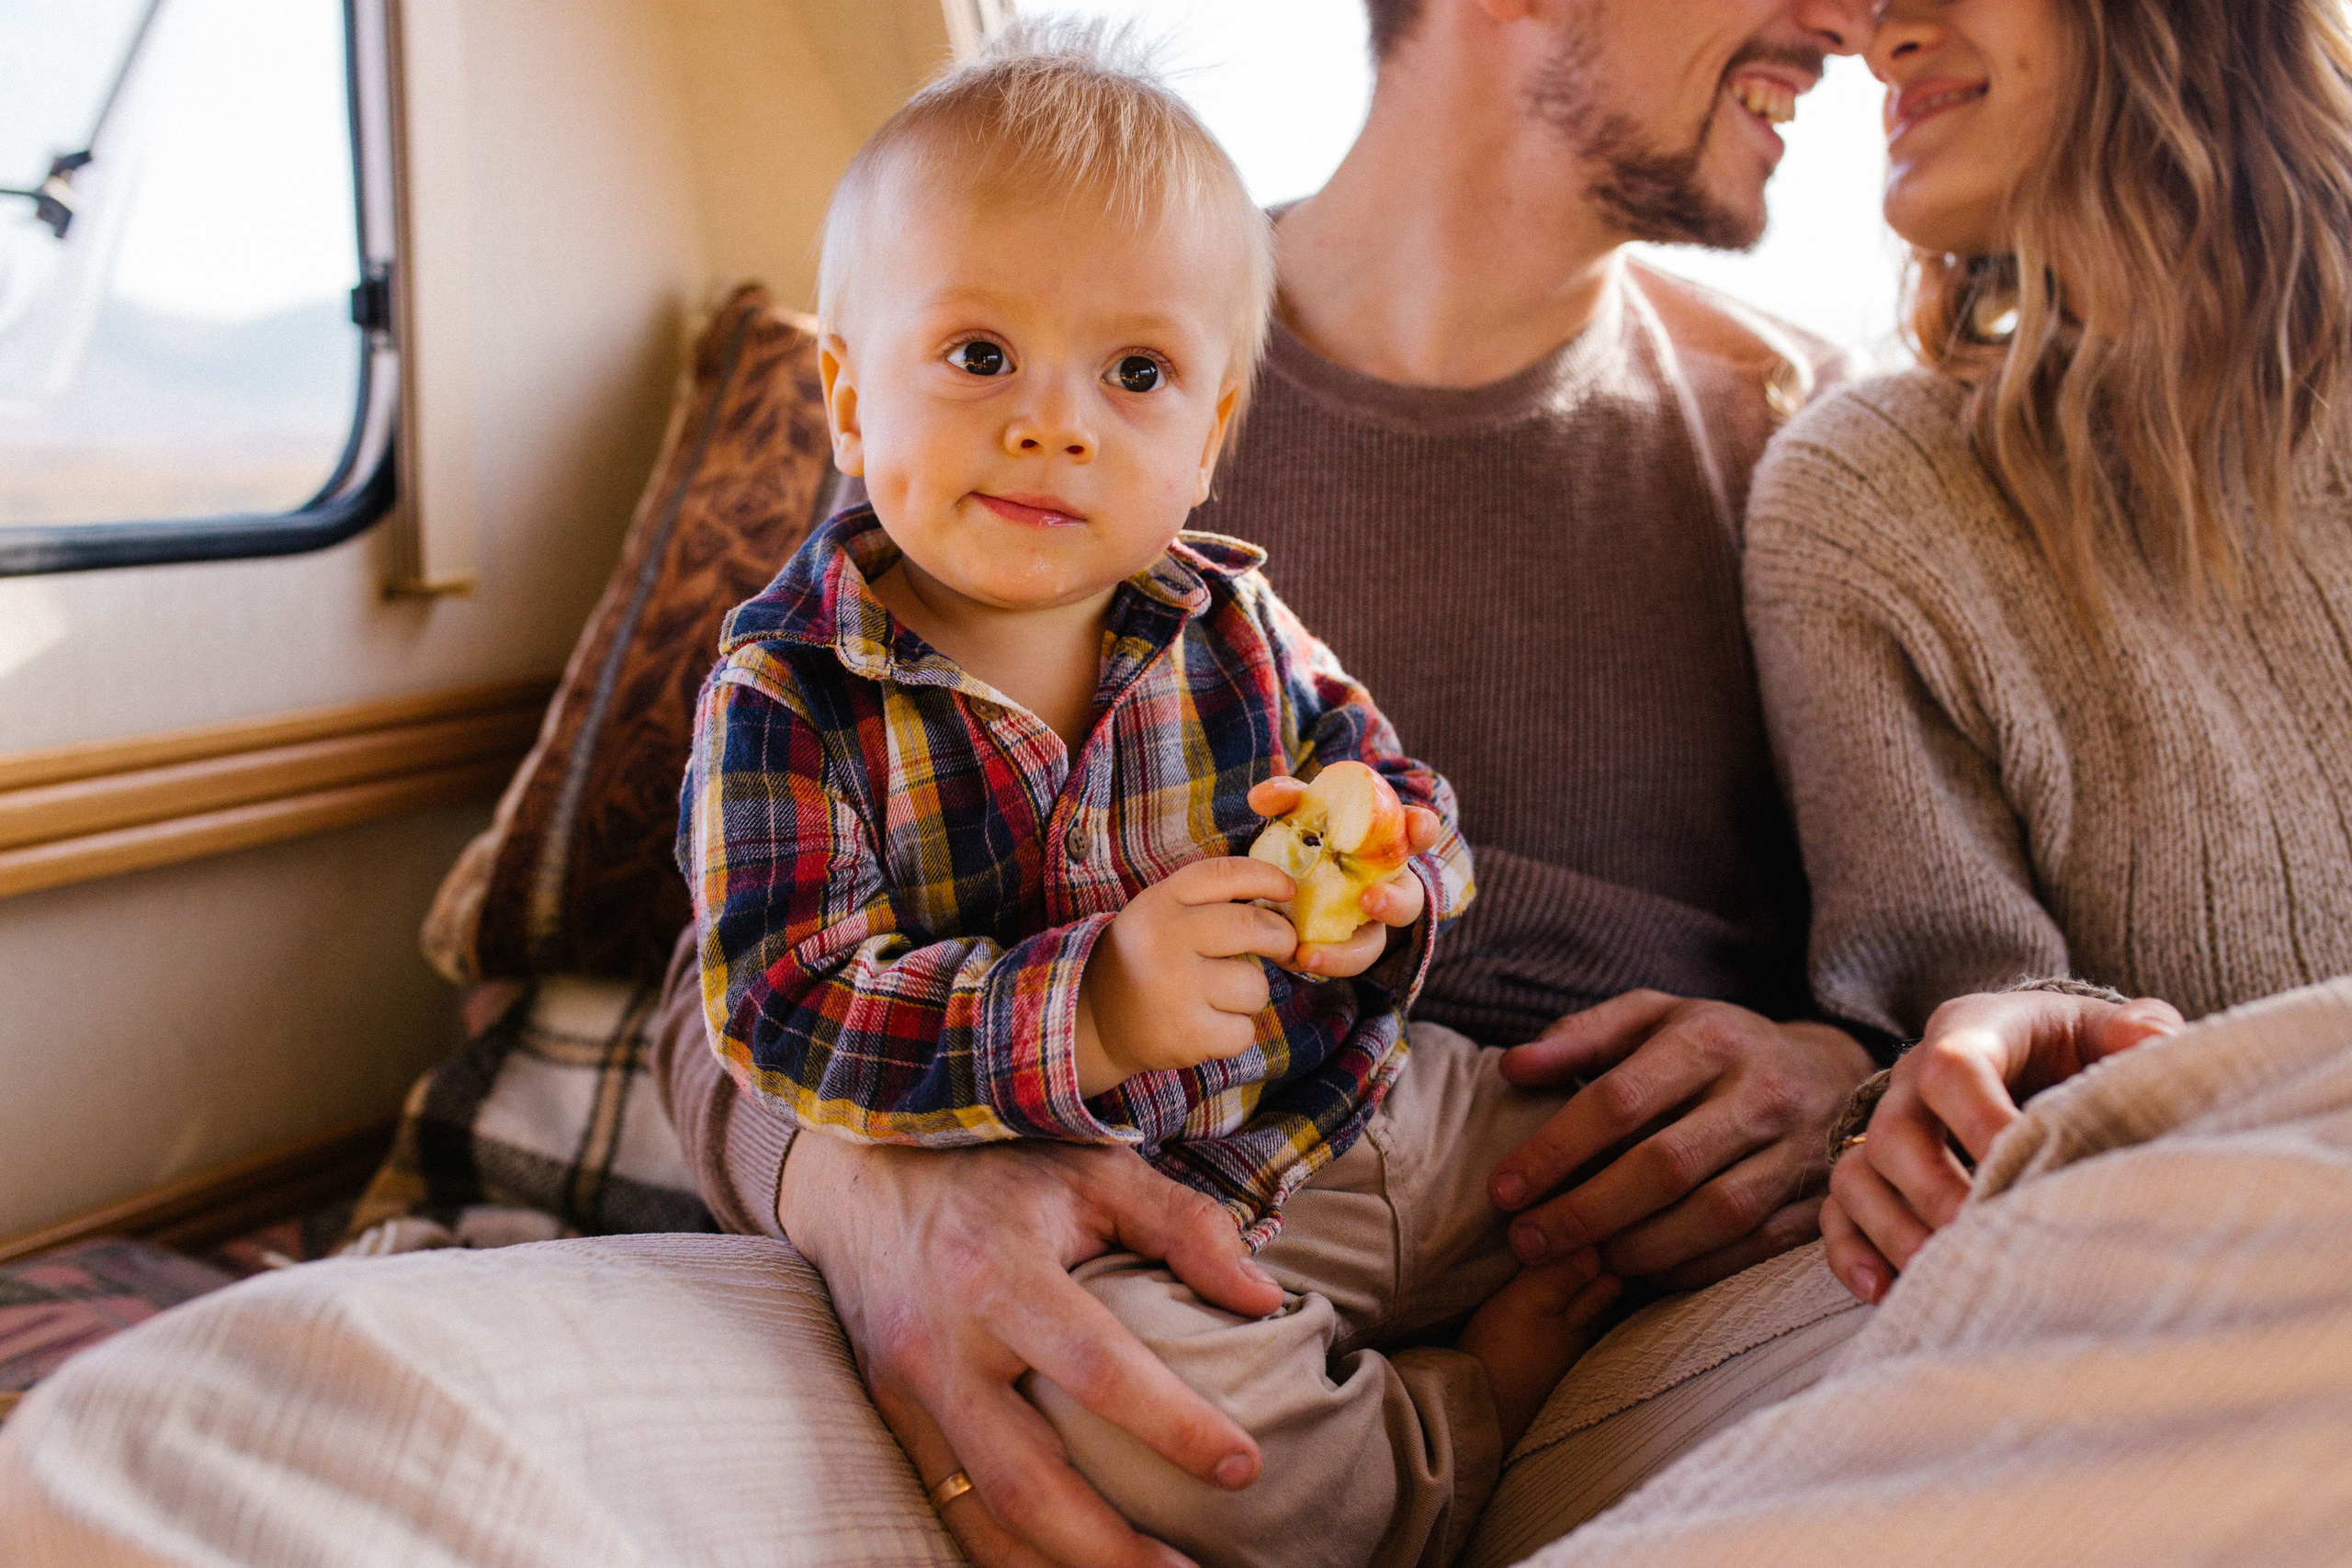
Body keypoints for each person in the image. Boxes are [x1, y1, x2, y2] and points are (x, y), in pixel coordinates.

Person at [658, 2, 1881, 1563]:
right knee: (1160, 1415)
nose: (1053, 419)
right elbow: (729, 990)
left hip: (1526, 1161)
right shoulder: (940, 497)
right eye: (984, 360)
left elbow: (1937, 987)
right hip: (1122, 1188)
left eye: (1140, 377)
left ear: (1209, 422)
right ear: (856, 388)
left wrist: (1837, 1074)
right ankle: (1427, 1447)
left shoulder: (1811, 440)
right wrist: (874, 1187)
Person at [1735, 0, 2352, 1305]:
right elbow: (1977, 1009)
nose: (1881, 39)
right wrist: (1932, 1097)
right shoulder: (1874, 493)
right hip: (2212, 1289)